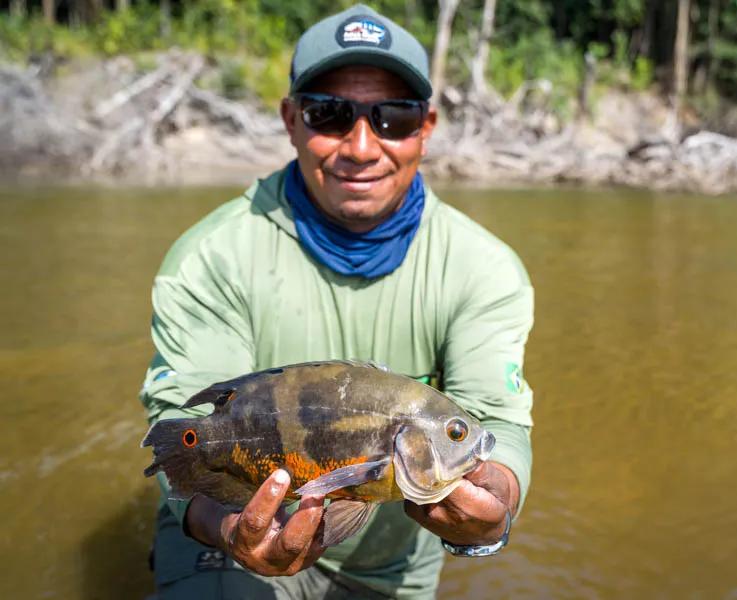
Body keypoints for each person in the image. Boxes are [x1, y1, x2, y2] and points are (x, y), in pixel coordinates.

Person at [139, 4, 534, 598]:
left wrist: (493, 509)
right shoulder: (210, 257)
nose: (360, 146)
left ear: (426, 127)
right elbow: (181, 439)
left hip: (387, 567)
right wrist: (227, 528)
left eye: (393, 117)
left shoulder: (483, 269)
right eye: (329, 113)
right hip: (228, 546)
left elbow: (497, 423)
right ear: (291, 119)